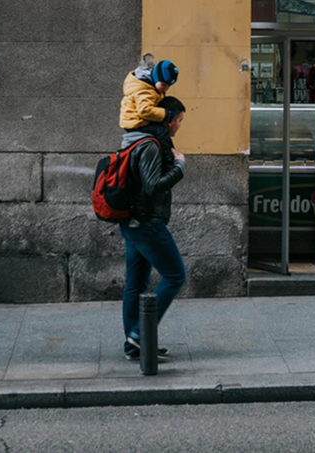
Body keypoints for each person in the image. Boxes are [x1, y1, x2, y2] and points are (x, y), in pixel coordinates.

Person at [119, 96, 187, 362]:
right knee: (175, 275)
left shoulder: (139, 138)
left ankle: (135, 343)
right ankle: (138, 335)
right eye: (180, 120)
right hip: (146, 223)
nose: (180, 125)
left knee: (136, 284)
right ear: (168, 121)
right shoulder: (151, 145)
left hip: (134, 222)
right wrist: (180, 167)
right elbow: (153, 185)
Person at [119, 55, 179, 153]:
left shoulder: (151, 87)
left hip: (138, 120)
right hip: (135, 122)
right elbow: (145, 110)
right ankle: (170, 158)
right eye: (163, 85)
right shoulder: (146, 90)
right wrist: (165, 114)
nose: (166, 88)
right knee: (162, 132)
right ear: (155, 77)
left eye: (168, 86)